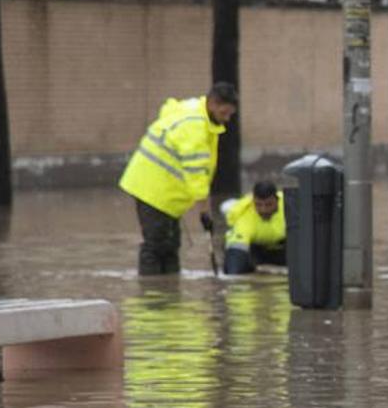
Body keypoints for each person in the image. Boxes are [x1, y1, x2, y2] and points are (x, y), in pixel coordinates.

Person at [119, 83, 238, 275]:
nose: (227, 119)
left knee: (171, 244)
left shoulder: (196, 111)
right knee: (156, 244)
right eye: (225, 113)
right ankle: (152, 292)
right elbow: (196, 172)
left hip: (163, 191)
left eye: (230, 114)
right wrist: (204, 212)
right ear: (214, 103)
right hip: (153, 190)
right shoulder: (195, 127)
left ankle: (170, 288)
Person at [221, 180, 287, 275]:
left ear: (277, 200)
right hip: (256, 252)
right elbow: (235, 254)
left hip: (283, 249)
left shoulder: (290, 207)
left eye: (268, 204)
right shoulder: (244, 216)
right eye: (258, 205)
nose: (263, 210)